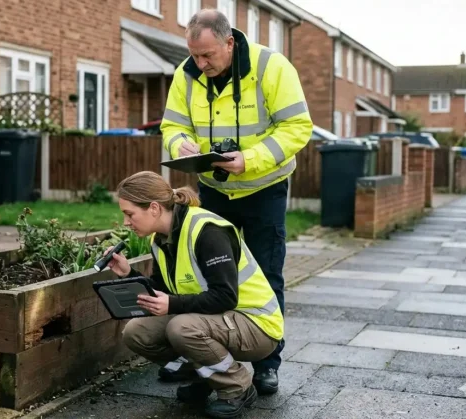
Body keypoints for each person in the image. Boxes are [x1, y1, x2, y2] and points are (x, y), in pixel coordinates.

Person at [159, 8, 313, 393]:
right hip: (214, 190)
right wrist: (180, 144)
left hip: (264, 189)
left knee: (266, 273)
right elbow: (173, 125)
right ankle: (211, 364)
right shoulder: (186, 74)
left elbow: (297, 126)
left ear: (230, 43)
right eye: (194, 55)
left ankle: (267, 364)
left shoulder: (272, 67)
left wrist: (251, 159)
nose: (200, 64)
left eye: (207, 55)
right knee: (210, 275)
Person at [105, 171, 284, 419]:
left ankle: (237, 386)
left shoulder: (208, 232)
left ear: (154, 208)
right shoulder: (160, 239)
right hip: (217, 318)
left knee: (181, 327)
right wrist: (128, 273)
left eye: (129, 214)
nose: (126, 222)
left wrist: (172, 304)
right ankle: (208, 377)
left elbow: (225, 297)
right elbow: (164, 289)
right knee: (136, 332)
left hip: (257, 324)